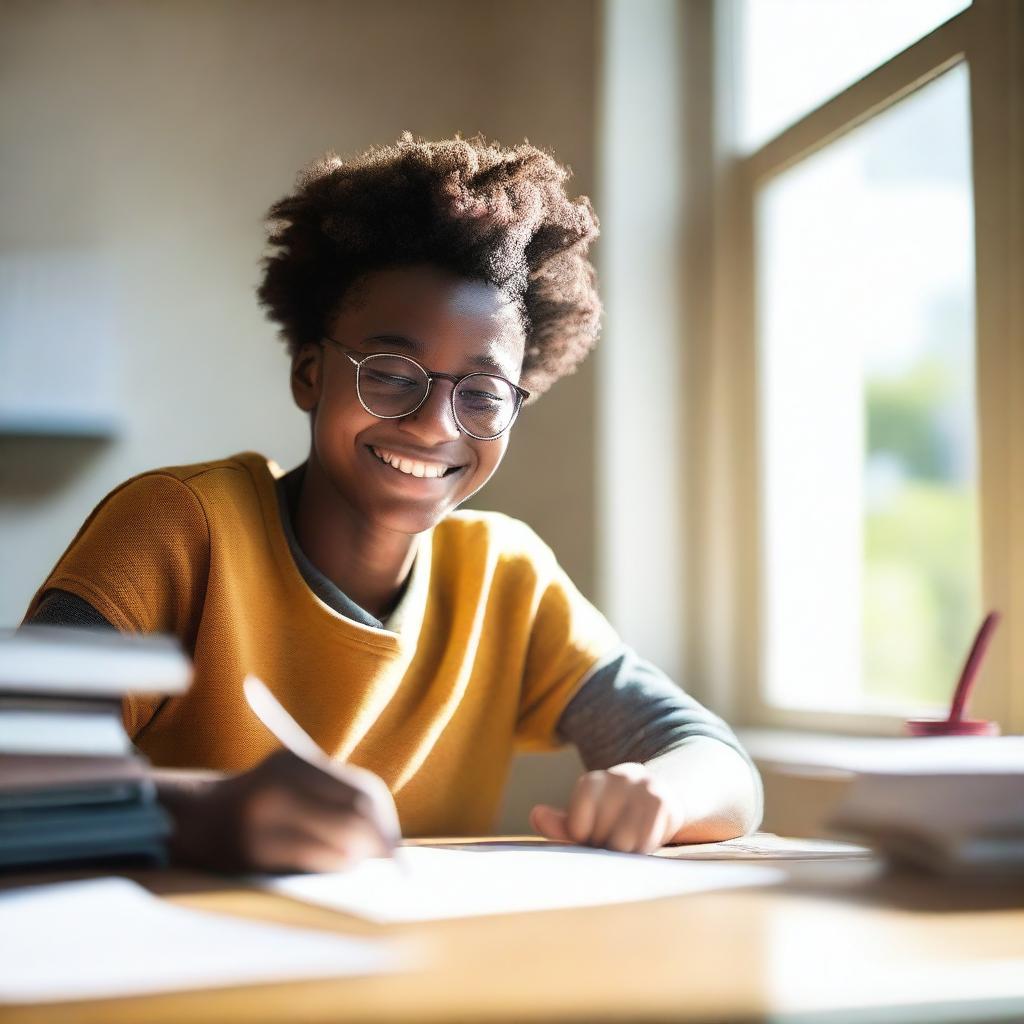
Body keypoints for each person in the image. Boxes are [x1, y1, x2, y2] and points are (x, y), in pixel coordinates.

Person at [22, 133, 763, 873]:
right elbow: (16, 766)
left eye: (481, 393)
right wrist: (202, 816)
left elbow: (720, 766)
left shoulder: (504, 579)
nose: (436, 424)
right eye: (390, 372)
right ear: (310, 374)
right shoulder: (180, 529)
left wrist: (661, 790)